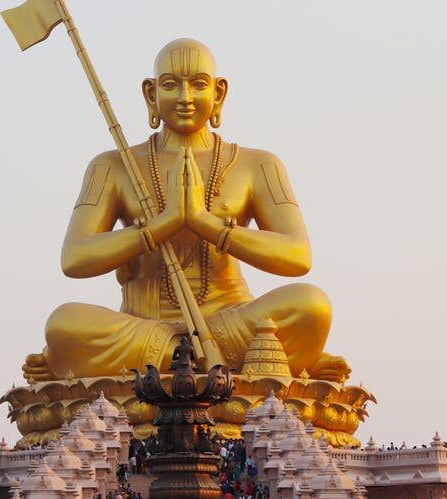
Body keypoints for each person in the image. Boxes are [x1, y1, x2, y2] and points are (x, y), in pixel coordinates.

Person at [22, 38, 349, 382]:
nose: (185, 98)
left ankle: (176, 361)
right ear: (150, 94)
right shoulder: (113, 166)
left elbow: (297, 256)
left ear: (219, 93)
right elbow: (74, 258)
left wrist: (203, 221)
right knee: (63, 325)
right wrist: (163, 224)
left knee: (313, 306)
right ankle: (204, 359)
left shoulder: (258, 165)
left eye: (198, 84)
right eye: (170, 85)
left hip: (230, 319)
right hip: (143, 325)